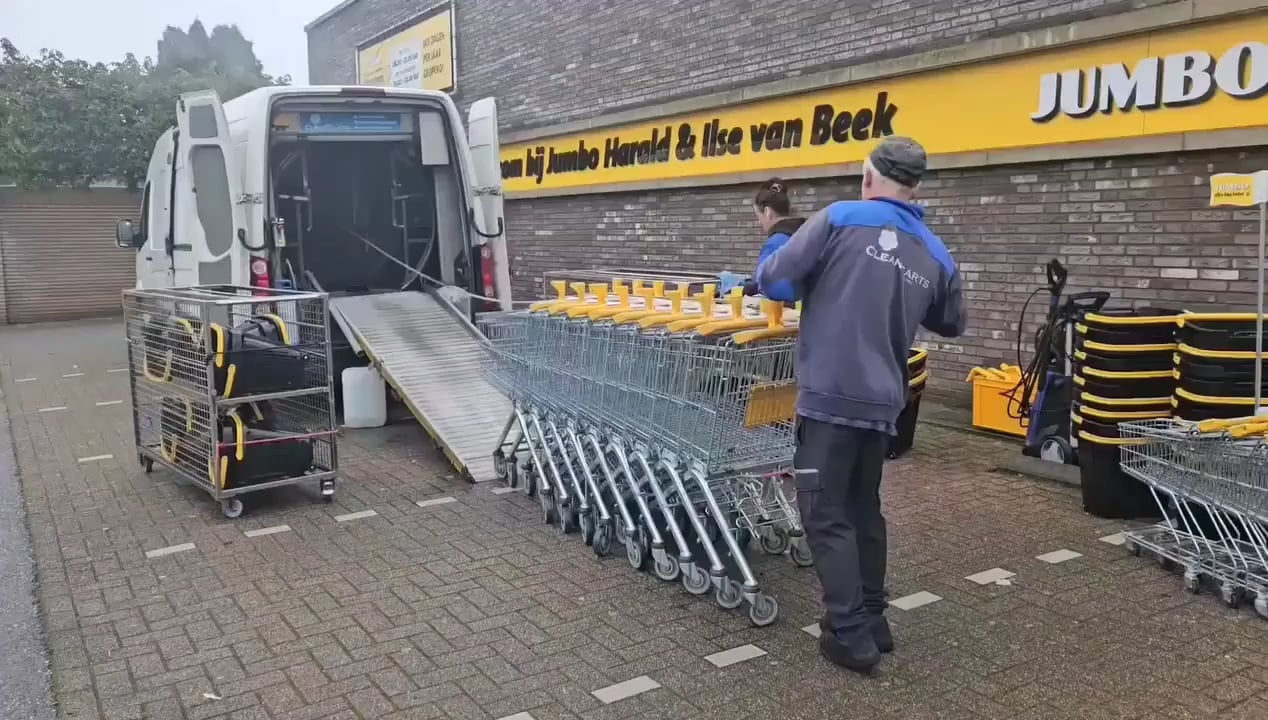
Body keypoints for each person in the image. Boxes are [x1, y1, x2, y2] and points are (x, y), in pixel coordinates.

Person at [755, 136, 967, 674]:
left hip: (828, 395)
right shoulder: (935, 250)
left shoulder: (837, 218)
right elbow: (952, 321)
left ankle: (849, 635)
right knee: (862, 507)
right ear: (914, 187)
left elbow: (773, 279)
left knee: (824, 513)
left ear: (868, 178)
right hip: (882, 403)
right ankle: (874, 619)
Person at [717, 179, 804, 300]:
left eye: (759, 216)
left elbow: (772, 290)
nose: (759, 222)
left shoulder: (776, 244)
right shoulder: (807, 234)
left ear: (767, 212)